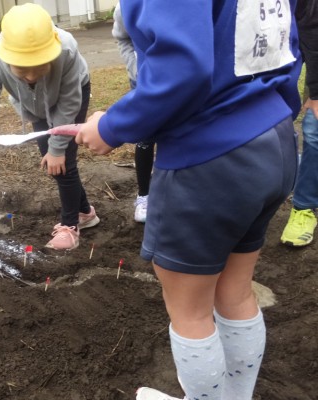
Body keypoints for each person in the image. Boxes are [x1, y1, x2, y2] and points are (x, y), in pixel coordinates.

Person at [76, 0, 301, 398]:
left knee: (190, 312)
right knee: (236, 291)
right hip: (273, 139)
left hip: (209, 158)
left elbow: (183, 70)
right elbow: (283, 44)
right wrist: (270, 112)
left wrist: (111, 126)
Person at [0, 3, 99, 251]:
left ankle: (70, 226)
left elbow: (69, 103)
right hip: (34, 105)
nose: (31, 77)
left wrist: (57, 149)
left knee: (63, 160)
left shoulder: (66, 49)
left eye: (40, 67)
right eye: (22, 70)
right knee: (55, 161)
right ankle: (85, 212)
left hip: (72, 95)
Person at [280, 0, 318, 247]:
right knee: (276, 121)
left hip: (309, 34)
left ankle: (303, 207)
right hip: (282, 40)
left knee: (314, 130)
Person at [112, 2, 154, 223]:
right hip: (143, 82)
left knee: (177, 134)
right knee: (146, 138)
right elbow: (122, 38)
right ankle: (144, 195)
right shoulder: (125, 9)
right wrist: (137, 69)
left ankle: (175, 188)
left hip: (178, 80)